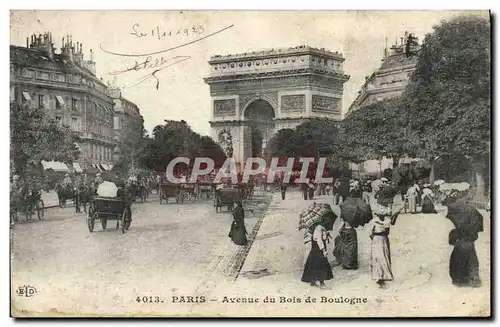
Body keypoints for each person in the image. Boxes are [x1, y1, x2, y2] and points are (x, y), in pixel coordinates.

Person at [370, 188, 400, 288]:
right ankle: (383, 276)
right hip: (382, 238)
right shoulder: (385, 214)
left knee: (378, 258)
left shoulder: (375, 217)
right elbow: (389, 224)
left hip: (376, 238)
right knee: (383, 257)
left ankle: (379, 276)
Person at [301, 215, 334, 289]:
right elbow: (319, 240)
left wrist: (326, 235)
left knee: (313, 265)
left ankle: (313, 281)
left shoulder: (319, 228)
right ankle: (322, 283)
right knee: (321, 265)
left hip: (314, 250)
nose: (328, 223)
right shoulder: (319, 229)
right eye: (327, 222)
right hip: (318, 250)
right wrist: (323, 250)